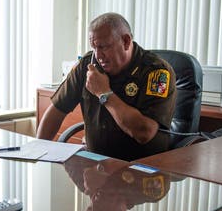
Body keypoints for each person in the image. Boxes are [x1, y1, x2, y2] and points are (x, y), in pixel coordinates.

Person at [37, 12, 177, 161]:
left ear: (126, 41)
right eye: (94, 47)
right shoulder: (88, 65)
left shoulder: (157, 72)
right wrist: (38, 151)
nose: (98, 55)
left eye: (104, 47)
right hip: (96, 165)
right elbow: (57, 110)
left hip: (141, 168)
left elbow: (144, 132)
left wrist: (104, 93)